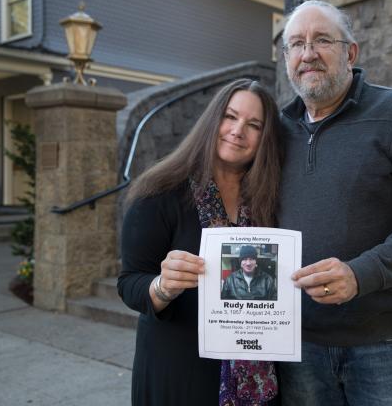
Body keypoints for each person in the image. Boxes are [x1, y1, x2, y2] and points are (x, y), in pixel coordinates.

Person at [277, 0, 392, 405]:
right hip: (298, 346)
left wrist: (360, 274)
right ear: (287, 57)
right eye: (296, 44)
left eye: (322, 40)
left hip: (385, 341)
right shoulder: (277, 130)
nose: (307, 53)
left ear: (350, 52)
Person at [117, 79, 281, 406]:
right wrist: (163, 286)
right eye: (230, 117)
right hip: (181, 373)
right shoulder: (159, 193)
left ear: (265, 138)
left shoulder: (270, 199)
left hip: (257, 378)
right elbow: (130, 283)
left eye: (253, 125)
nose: (238, 131)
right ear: (212, 120)